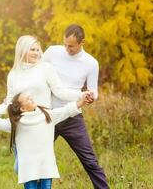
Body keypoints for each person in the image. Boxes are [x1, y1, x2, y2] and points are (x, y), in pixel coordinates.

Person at [0, 35, 93, 174]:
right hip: (22, 126)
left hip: (41, 123)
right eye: (32, 49)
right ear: (22, 50)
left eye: (38, 49)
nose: (37, 53)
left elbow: (60, 91)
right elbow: (9, 103)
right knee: (20, 169)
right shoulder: (13, 74)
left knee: (40, 170)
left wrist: (80, 95)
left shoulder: (45, 68)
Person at [43, 24, 109, 189]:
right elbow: (37, 72)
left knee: (89, 160)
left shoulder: (91, 63)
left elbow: (93, 90)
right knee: (40, 156)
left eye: (71, 46)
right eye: (65, 44)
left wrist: (91, 96)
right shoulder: (52, 52)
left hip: (72, 116)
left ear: (82, 42)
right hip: (48, 115)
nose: (67, 49)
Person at [0, 92, 88, 189]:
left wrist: (81, 102)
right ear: (22, 108)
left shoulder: (47, 115)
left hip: (46, 165)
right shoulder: (17, 123)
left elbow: (66, 110)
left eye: (31, 97)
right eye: (27, 99)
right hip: (28, 168)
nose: (31, 98)